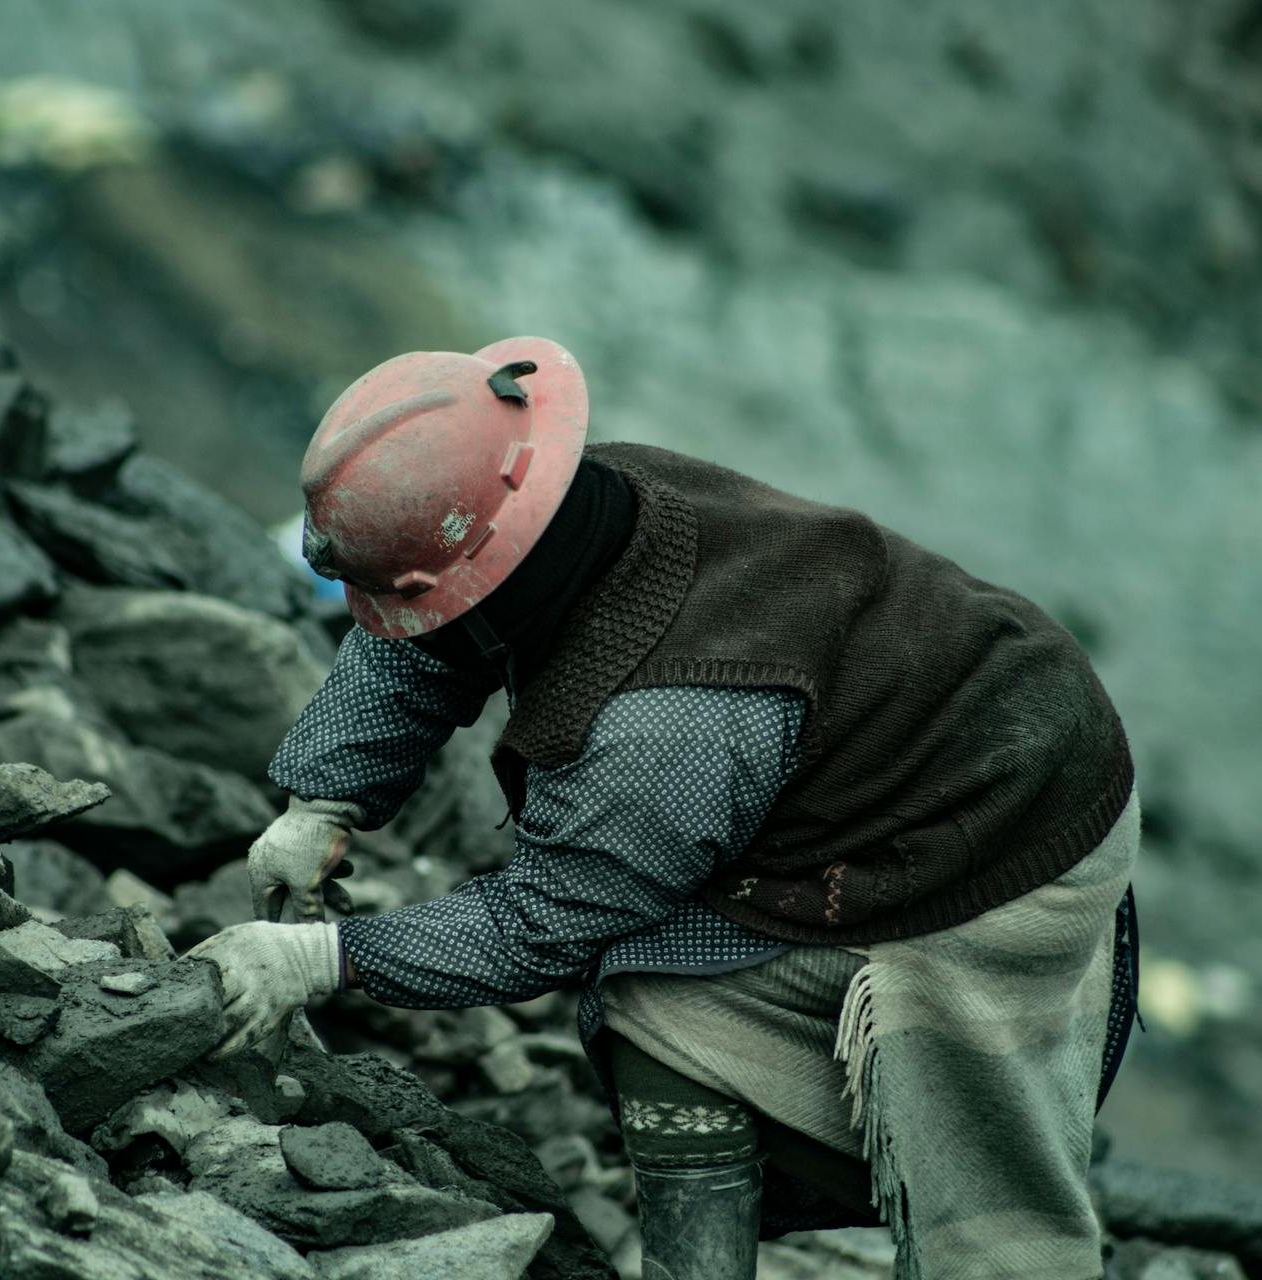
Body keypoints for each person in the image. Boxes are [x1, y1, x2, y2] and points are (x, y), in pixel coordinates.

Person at [187, 336, 1141, 1280]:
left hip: (1003, 818)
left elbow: (543, 925)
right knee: (654, 952)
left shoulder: (664, 731)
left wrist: (324, 960)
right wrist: (321, 801)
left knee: (676, 1013)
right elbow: (426, 633)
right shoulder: (563, 502)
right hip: (942, 707)